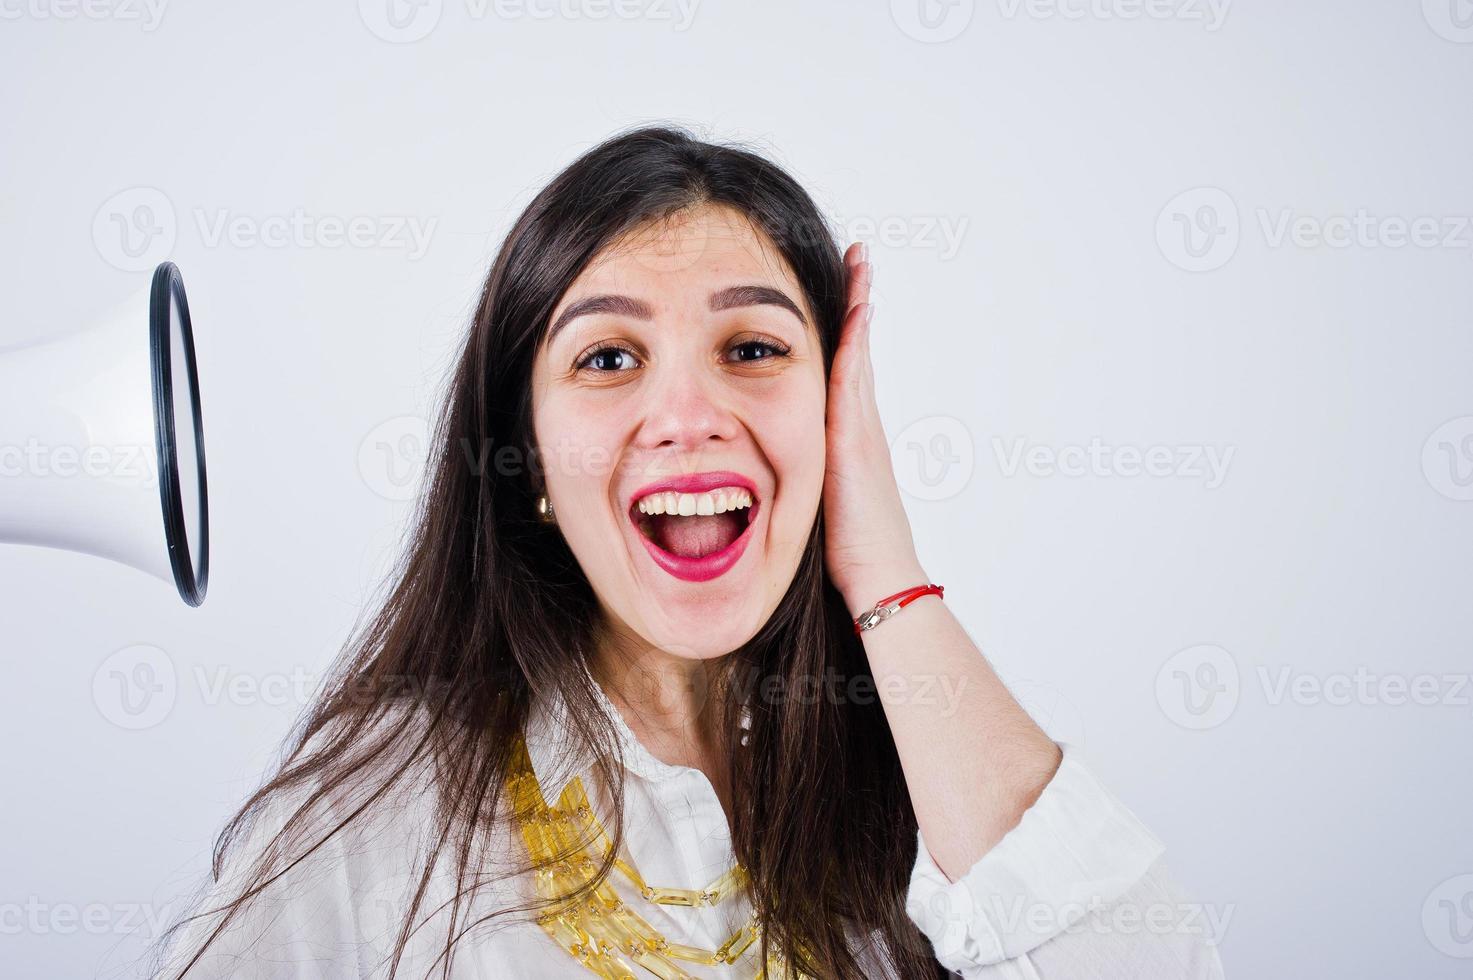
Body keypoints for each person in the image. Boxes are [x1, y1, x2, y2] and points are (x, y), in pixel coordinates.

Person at [149, 124, 1227, 979]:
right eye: (609, 356)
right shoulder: (370, 823)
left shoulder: (926, 766)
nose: (688, 412)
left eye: (752, 348)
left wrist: (888, 567)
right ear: (524, 456)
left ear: (835, 413)